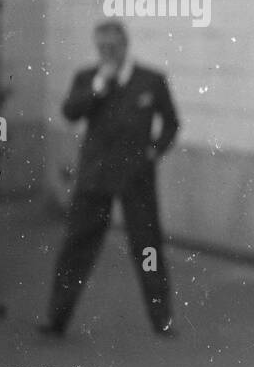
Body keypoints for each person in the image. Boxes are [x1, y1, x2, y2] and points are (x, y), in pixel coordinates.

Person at [38, 18, 179, 338]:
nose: (108, 53)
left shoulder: (151, 80)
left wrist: (154, 151)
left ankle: (162, 320)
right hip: (95, 178)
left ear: (125, 44)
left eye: (113, 47)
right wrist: (98, 86)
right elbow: (70, 112)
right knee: (76, 246)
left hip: (136, 178)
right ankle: (56, 319)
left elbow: (171, 123)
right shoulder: (88, 78)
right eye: (102, 48)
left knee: (147, 249)